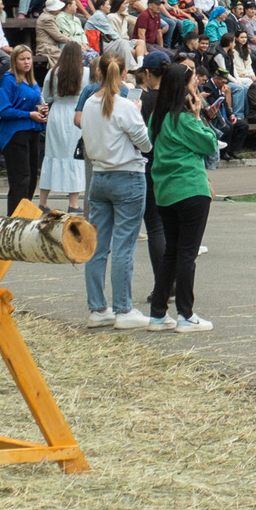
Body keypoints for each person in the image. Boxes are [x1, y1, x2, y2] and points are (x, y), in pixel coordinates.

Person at [82, 51, 153, 330]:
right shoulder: (125, 106)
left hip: (99, 176)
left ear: (99, 72)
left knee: (98, 246)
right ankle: (123, 308)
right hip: (127, 175)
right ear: (123, 74)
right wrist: (136, 114)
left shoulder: (89, 103)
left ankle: (98, 307)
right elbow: (145, 143)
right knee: (124, 245)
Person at [147, 62, 219, 332]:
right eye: (193, 82)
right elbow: (209, 144)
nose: (197, 85)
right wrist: (200, 118)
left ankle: (157, 313)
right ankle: (186, 314)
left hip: (165, 191)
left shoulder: (157, 116)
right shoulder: (185, 118)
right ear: (182, 87)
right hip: (190, 188)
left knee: (172, 252)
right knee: (187, 254)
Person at [0, 44, 47, 214]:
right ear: (14, 60)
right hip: (15, 133)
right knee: (21, 178)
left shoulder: (32, 81)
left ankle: (25, 214)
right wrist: (29, 114)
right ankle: (14, 217)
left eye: (28, 58)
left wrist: (42, 110)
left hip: (33, 131)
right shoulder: (8, 80)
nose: (26, 62)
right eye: (22, 59)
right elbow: (2, 110)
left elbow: (35, 103)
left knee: (32, 178)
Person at [40, 42, 89, 215]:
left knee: (52, 155)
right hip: (75, 113)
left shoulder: (52, 72)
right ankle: (73, 203)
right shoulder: (85, 73)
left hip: (57, 115)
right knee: (74, 156)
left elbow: (46, 96)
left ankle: (43, 201)